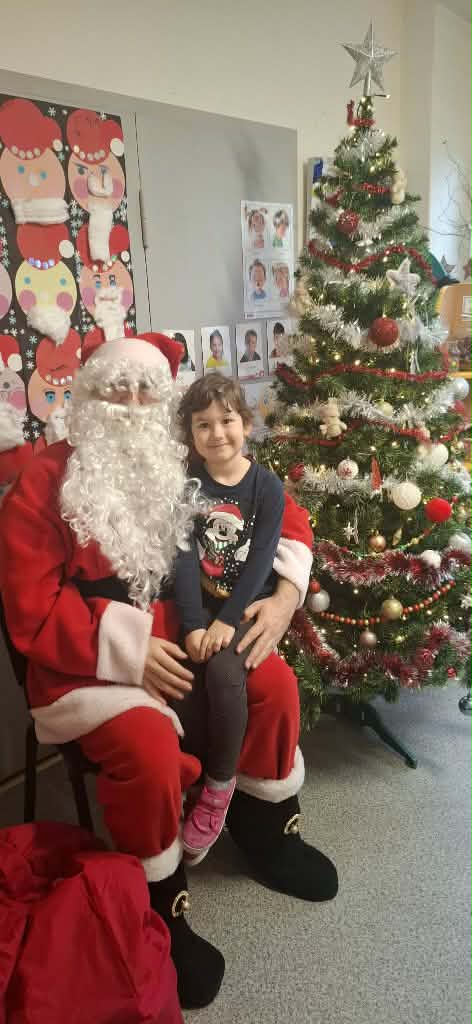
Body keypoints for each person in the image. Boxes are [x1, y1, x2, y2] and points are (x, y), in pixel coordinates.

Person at [0, 332, 338, 1012]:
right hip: (89, 663)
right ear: (86, 397)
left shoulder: (190, 454)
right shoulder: (45, 479)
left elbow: (283, 513)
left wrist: (284, 595)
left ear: (166, 403)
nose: (130, 404)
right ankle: (162, 903)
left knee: (274, 686)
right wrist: (128, 648)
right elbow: (30, 606)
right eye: (114, 389)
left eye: (145, 391)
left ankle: (266, 829)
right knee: (150, 750)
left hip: (194, 635)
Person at [174, 374, 283, 864]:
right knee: (184, 674)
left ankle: (219, 787)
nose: (217, 433)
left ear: (246, 424)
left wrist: (227, 620)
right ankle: (193, 775)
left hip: (245, 604)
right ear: (191, 433)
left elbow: (260, 561)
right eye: (203, 424)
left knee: (222, 672)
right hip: (202, 605)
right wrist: (194, 624)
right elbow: (182, 558)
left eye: (227, 420)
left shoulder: (266, 487)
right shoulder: (187, 486)